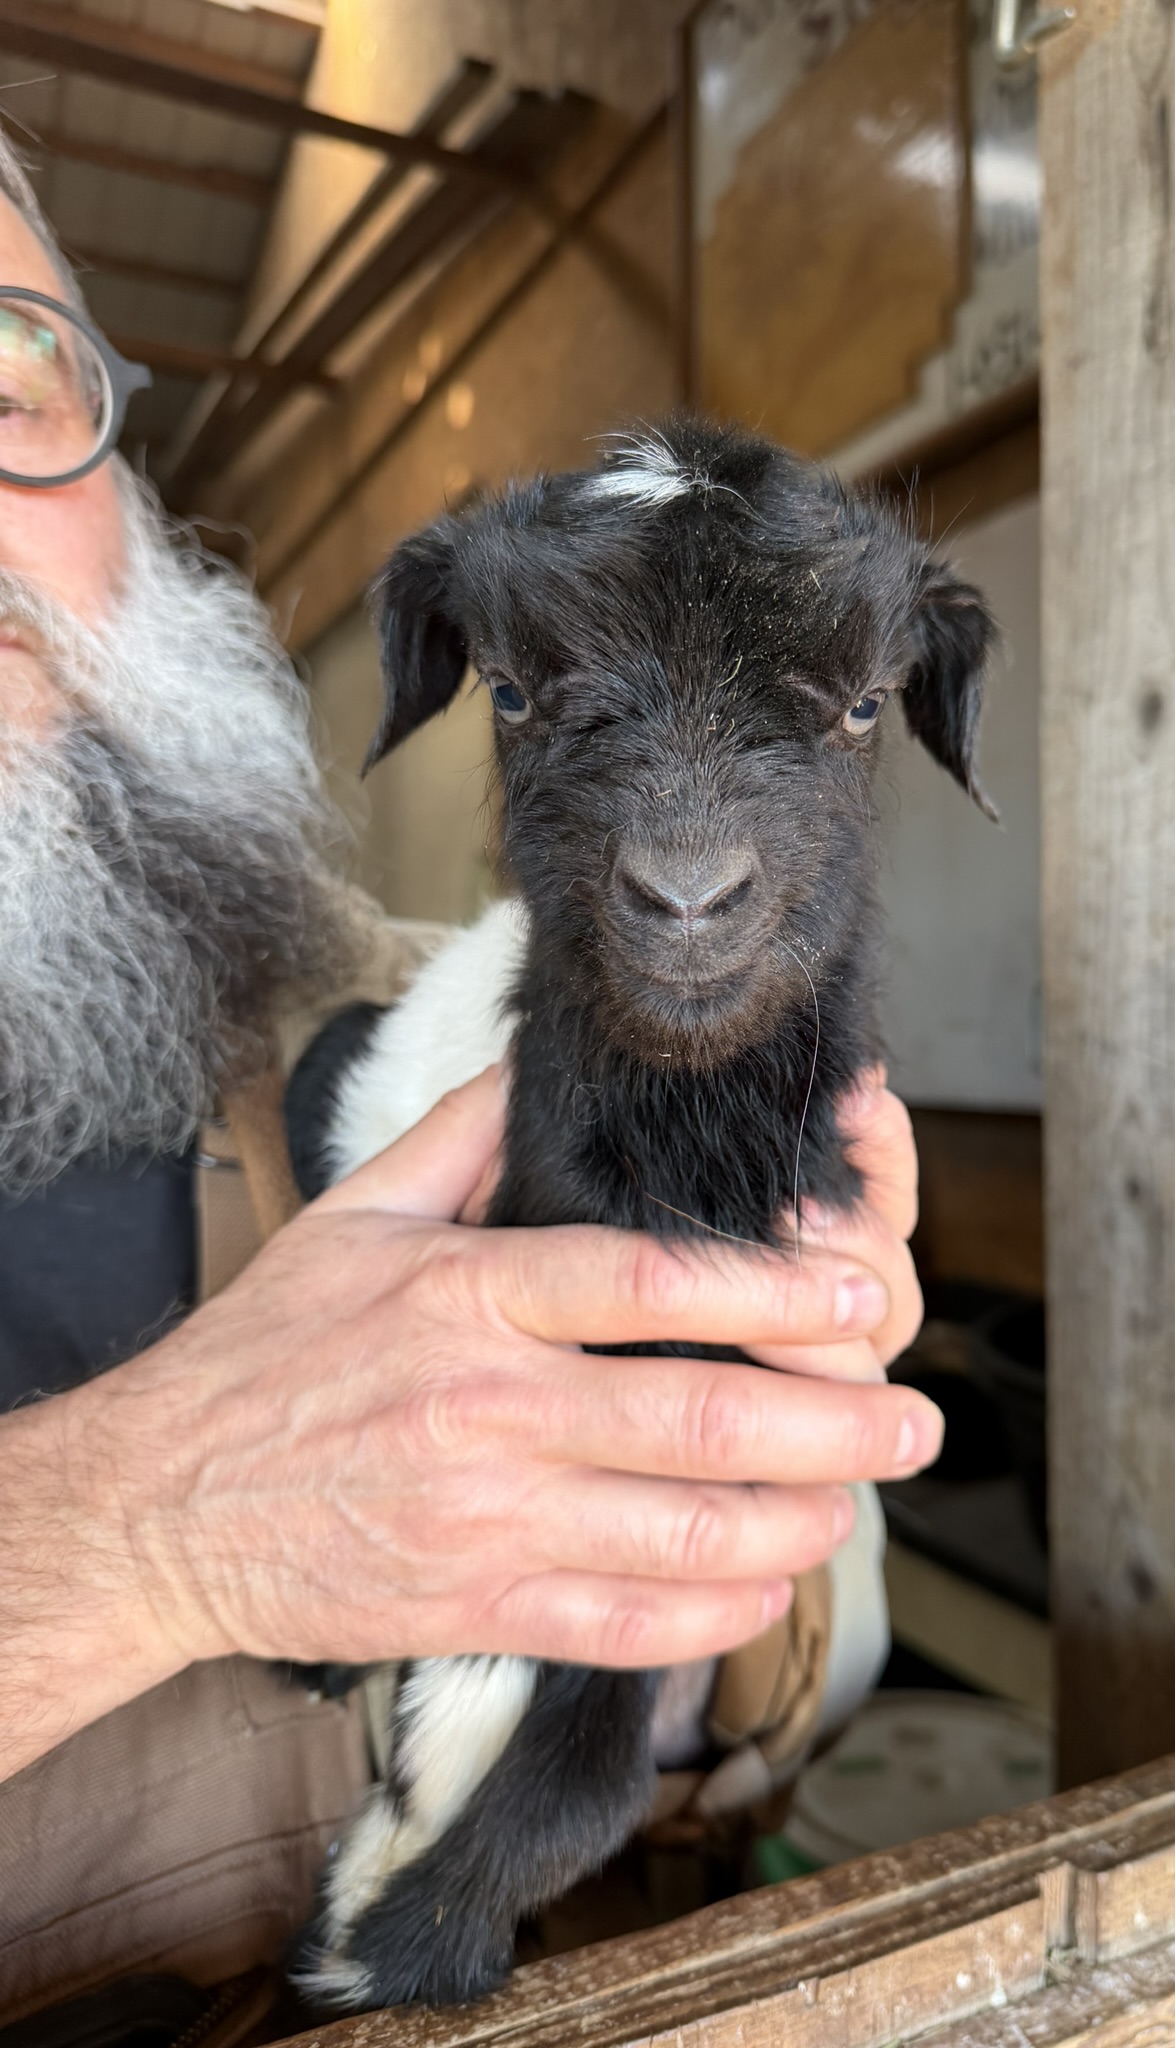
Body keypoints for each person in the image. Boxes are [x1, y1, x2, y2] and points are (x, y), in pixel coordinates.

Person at [0, 140, 936, 2022]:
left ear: (120, 468)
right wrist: (134, 1536)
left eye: (10, 379)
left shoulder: (427, 1015)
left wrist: (732, 1519)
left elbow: (819, 1657)